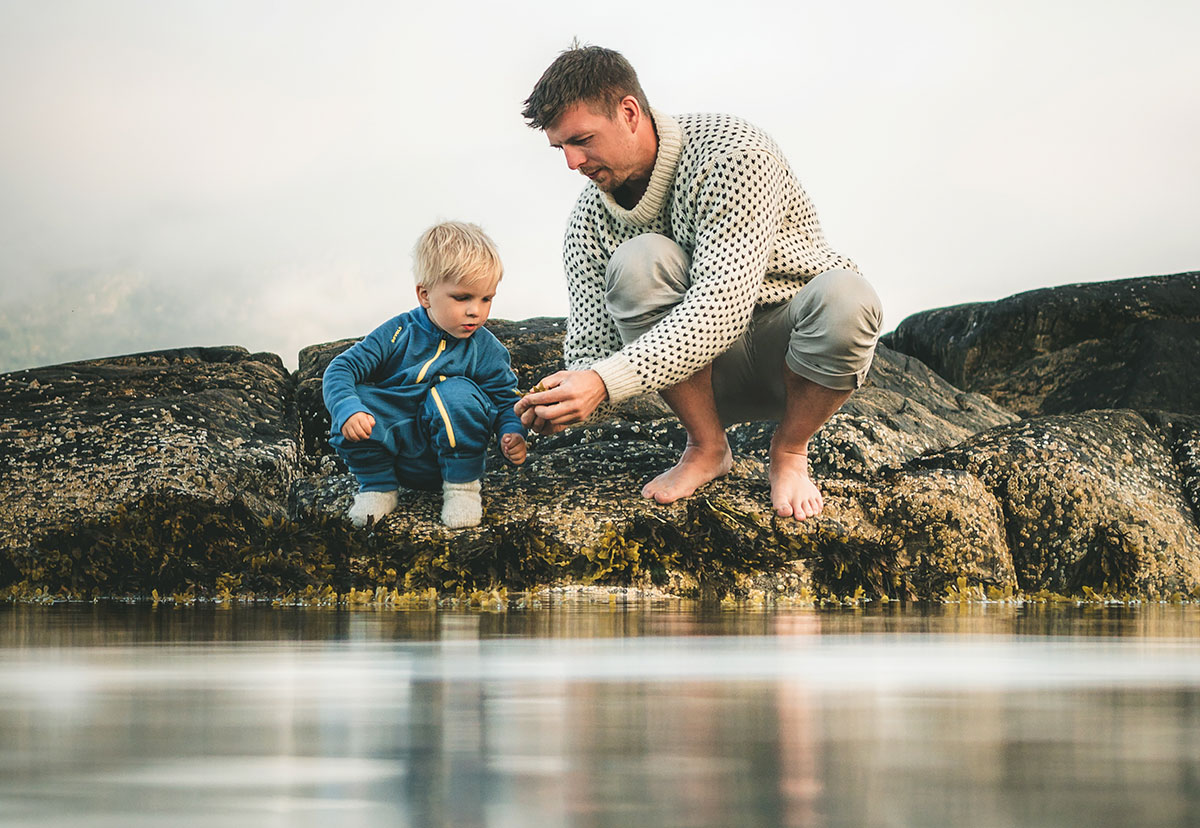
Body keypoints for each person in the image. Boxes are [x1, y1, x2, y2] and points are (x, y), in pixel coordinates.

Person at [514, 44, 882, 520]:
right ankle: (707, 447)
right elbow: (592, 356)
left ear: (629, 112)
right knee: (639, 260)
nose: (571, 163)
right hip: (698, 385)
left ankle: (789, 452)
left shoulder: (732, 153)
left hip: (793, 360)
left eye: (582, 139)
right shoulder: (588, 222)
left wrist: (602, 382)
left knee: (850, 297)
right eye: (560, 147)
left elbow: (721, 308)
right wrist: (559, 402)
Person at [323, 221, 528, 529]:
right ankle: (378, 488)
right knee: (355, 405)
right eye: (463, 298)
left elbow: (506, 400)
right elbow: (341, 368)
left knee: (456, 393)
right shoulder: (398, 332)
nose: (476, 311)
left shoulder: (485, 349)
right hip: (395, 453)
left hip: (454, 457)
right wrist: (349, 409)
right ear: (425, 295)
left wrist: (513, 432)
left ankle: (463, 491)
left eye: (486, 298)